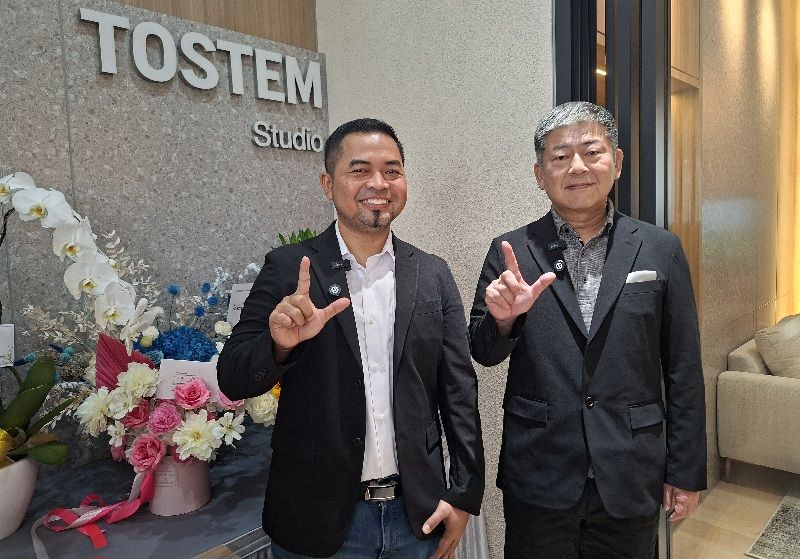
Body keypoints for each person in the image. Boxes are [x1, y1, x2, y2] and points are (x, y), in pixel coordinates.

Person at [217, 118, 484, 559]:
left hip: (416, 515)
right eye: (360, 170)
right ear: (328, 184)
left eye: (392, 171)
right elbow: (233, 378)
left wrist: (464, 494)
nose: (378, 183)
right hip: (316, 517)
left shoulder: (432, 273)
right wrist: (280, 345)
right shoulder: (289, 268)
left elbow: (459, 390)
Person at [468, 101, 706, 558]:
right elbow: (482, 351)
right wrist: (503, 319)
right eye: (560, 156)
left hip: (631, 470)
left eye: (591, 152)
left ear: (616, 161)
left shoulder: (660, 249)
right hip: (540, 471)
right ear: (540, 175)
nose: (577, 166)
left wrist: (686, 470)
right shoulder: (511, 250)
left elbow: (683, 369)